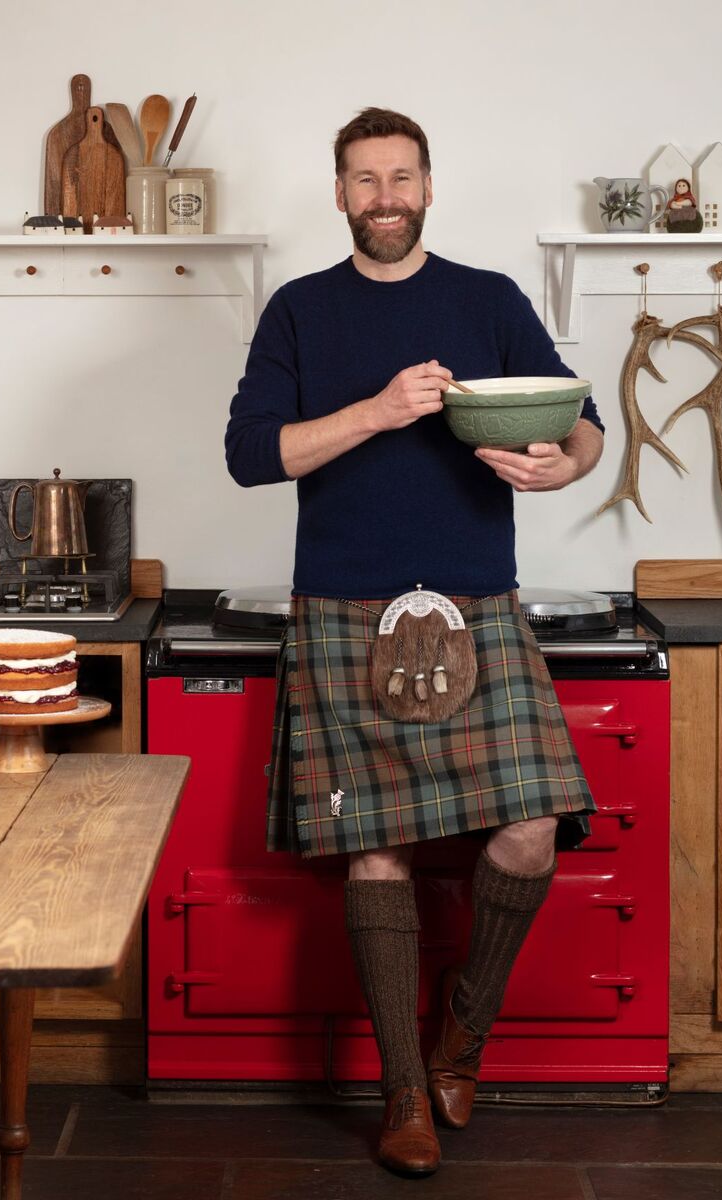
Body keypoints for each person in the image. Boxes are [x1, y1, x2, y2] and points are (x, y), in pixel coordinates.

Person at [225, 107, 604, 1178]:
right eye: (363, 179)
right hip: (345, 608)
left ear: (428, 186)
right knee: (376, 849)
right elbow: (253, 455)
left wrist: (562, 467)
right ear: (339, 193)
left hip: (478, 603)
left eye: (401, 176)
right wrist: (377, 411)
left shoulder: (486, 300)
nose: (384, 195)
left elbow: (580, 419)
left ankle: (460, 1039)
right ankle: (405, 1092)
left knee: (532, 826)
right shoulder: (299, 312)